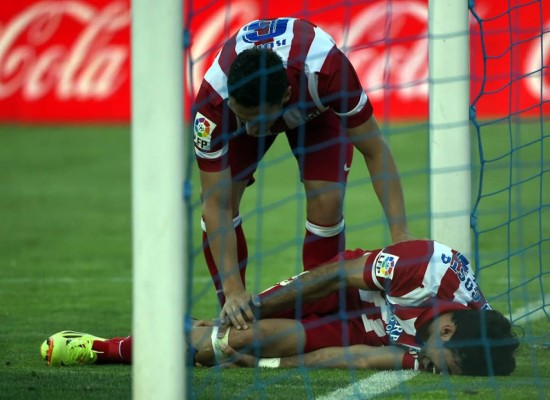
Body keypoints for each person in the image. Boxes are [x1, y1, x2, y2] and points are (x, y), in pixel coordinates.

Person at [193, 17, 411, 328]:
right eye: (244, 118)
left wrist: (400, 235)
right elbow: (215, 205)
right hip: (245, 112)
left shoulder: (328, 71)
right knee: (225, 196)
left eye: (256, 120)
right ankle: (234, 314)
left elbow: (375, 151)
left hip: (315, 112)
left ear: (285, 97)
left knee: (327, 202)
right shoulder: (214, 105)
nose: (252, 130)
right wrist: (233, 291)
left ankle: (322, 315)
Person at [40, 240, 518, 375]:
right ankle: (105, 348)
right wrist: (251, 304)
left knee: (235, 343)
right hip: (341, 286)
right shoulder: (429, 269)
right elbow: (331, 275)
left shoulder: (447, 346)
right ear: (450, 333)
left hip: (363, 327)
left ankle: (168, 337)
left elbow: (355, 358)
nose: (439, 371)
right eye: (446, 366)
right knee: (242, 320)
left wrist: (269, 363)